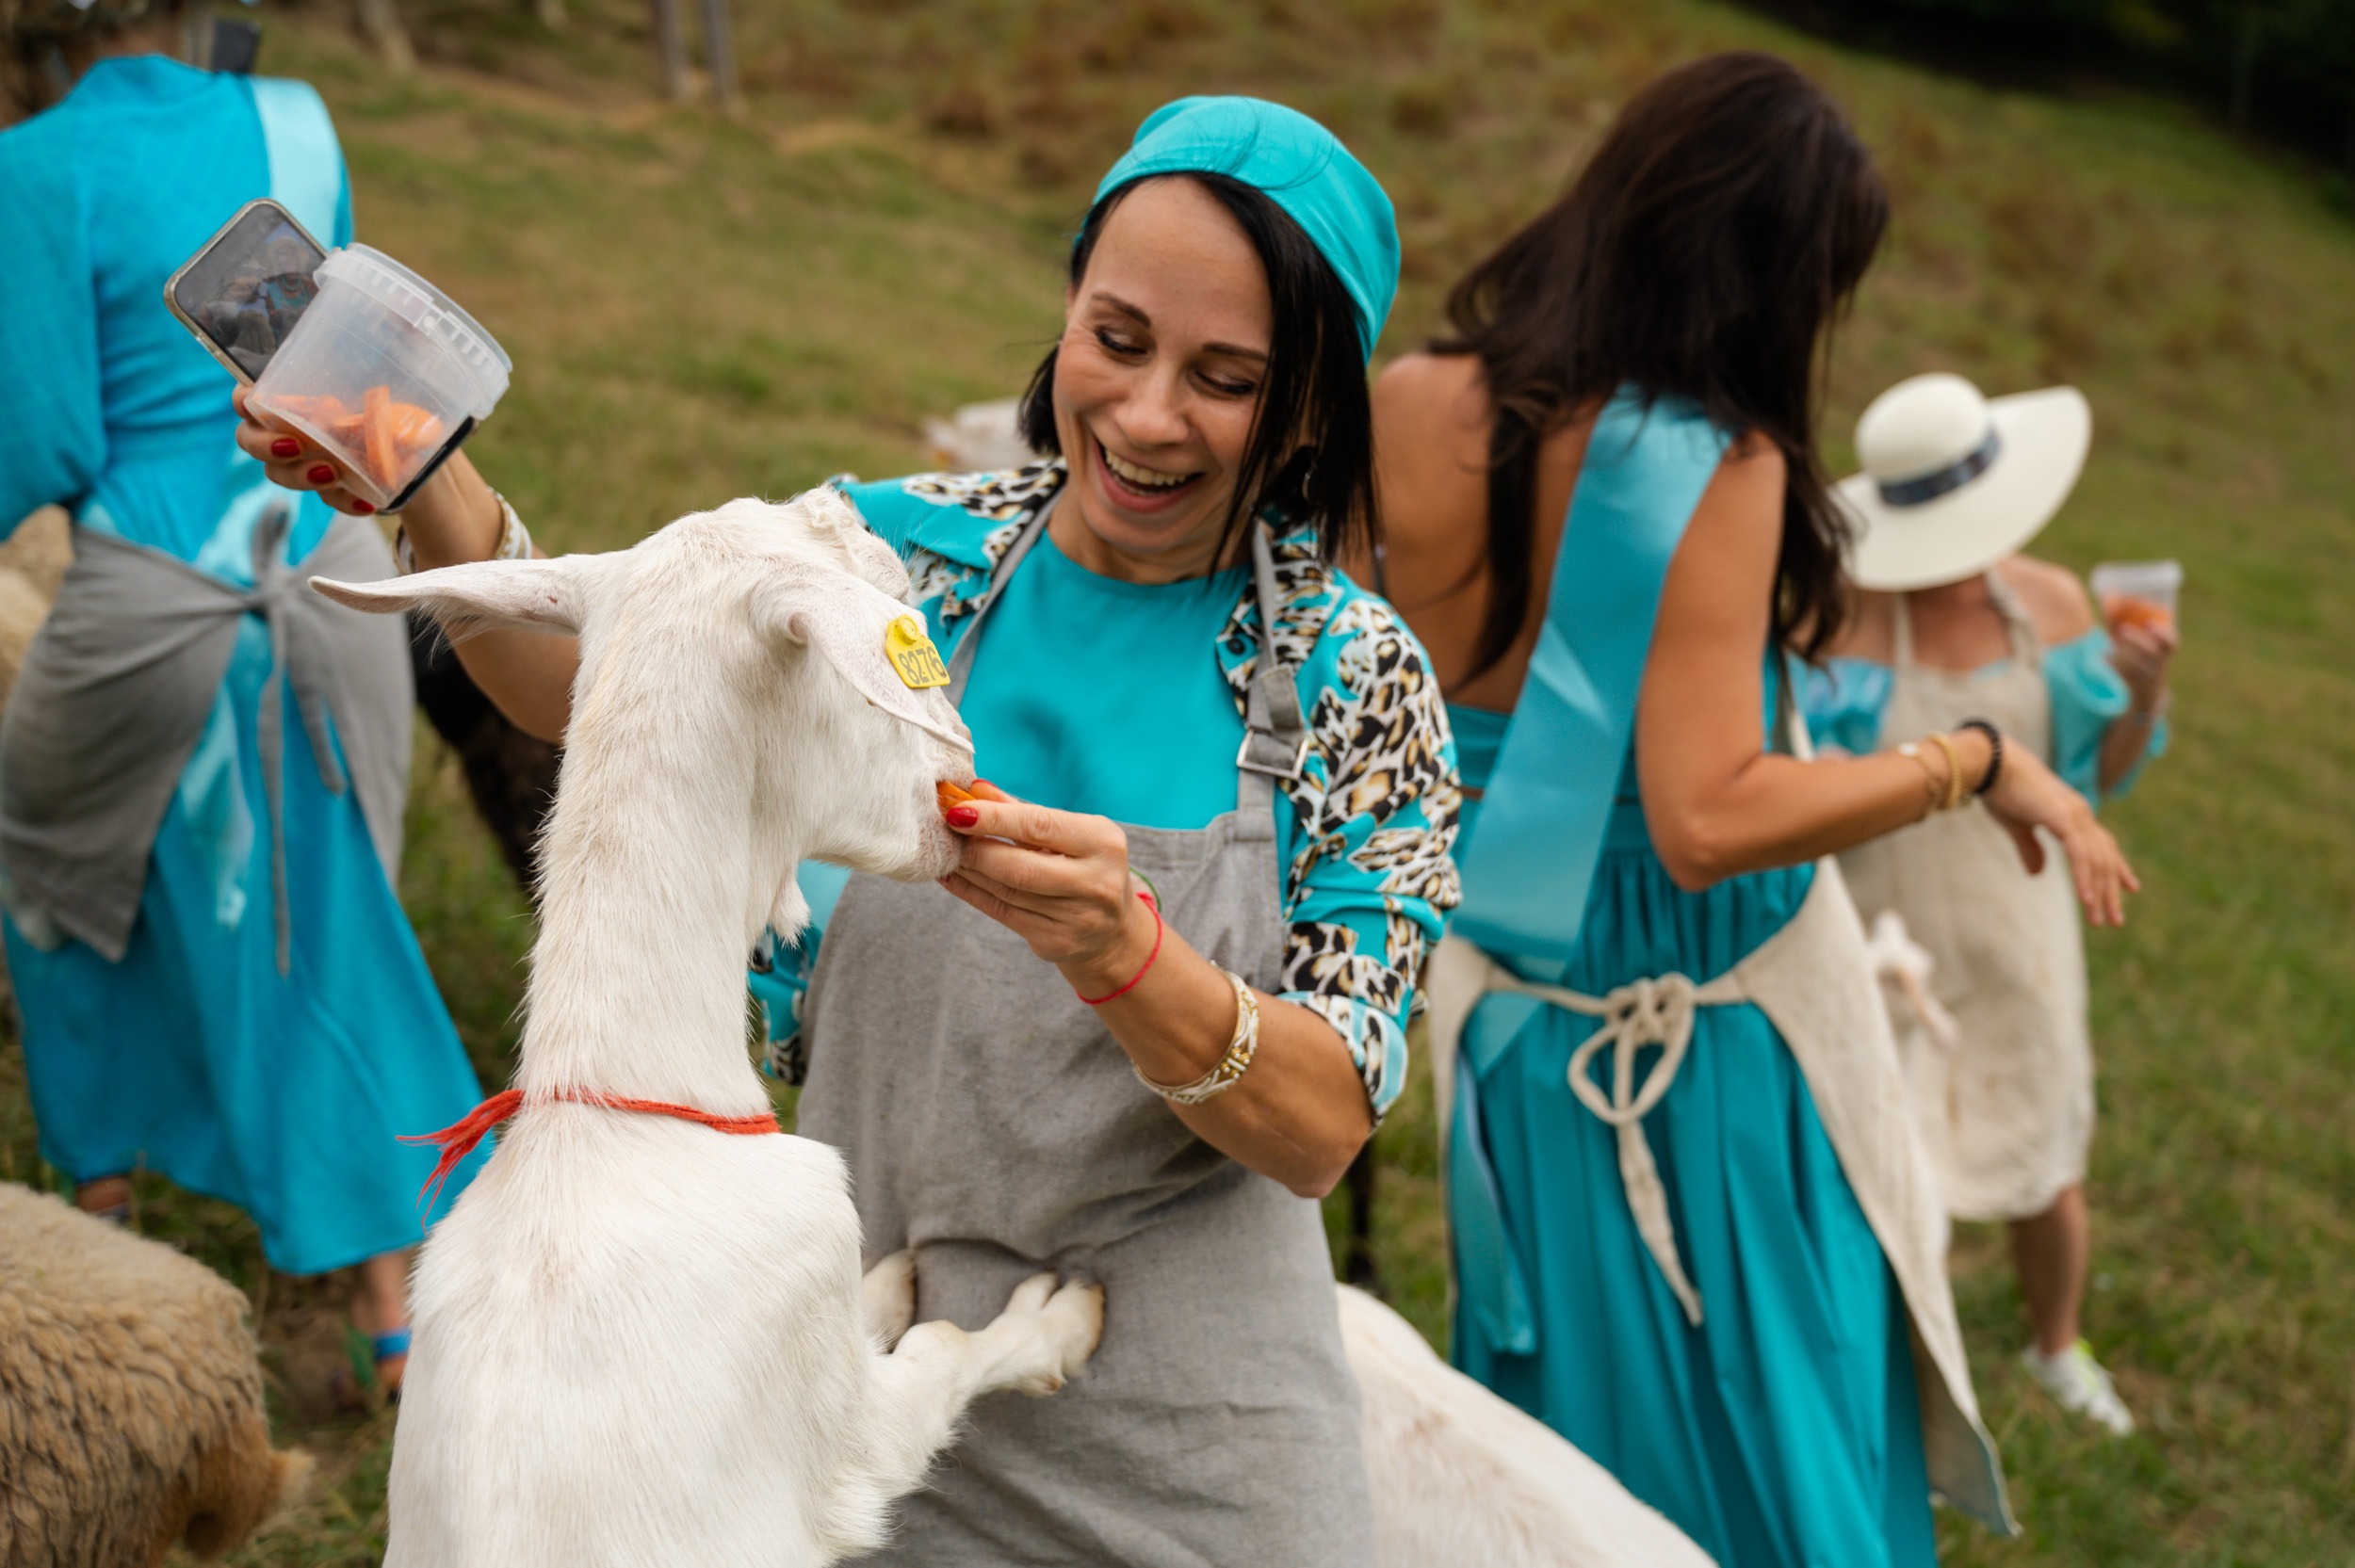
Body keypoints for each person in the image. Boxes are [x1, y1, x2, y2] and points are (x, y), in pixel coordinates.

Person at [239, 96, 1457, 1566]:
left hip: (1198, 1458)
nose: (1145, 416)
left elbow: (1325, 1124)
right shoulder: (890, 560)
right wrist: (419, 480)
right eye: (1117, 340)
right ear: (1067, 309)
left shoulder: (1358, 682)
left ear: (1315, 407)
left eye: (1228, 378)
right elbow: (597, 690)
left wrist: (1128, 956)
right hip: (830, 1410)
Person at [1366, 53, 2137, 1567]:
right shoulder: (1713, 459)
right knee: (1756, 1415)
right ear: (1772, 276)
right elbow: (1706, 812)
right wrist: (1972, 761)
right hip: (1700, 1044)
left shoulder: (1411, 397)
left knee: (1557, 1449)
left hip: (1515, 1012)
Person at [0, 0, 491, 1400]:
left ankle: (95, 1231)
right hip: (336, 576)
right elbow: (343, 374)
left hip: (149, 601)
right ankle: (396, 1311)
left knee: (55, 877)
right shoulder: (300, 125)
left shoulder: (31, 167)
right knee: (326, 906)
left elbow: (42, 437)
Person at [1804, 371, 2175, 1437]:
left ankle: (2056, 1345)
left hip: (2014, 923)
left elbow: (2090, 777)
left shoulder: (2048, 602)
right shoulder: (1840, 609)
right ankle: (1875, 1364)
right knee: (1870, 1154)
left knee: (2042, 1153)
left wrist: (2143, 693)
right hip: (1871, 926)